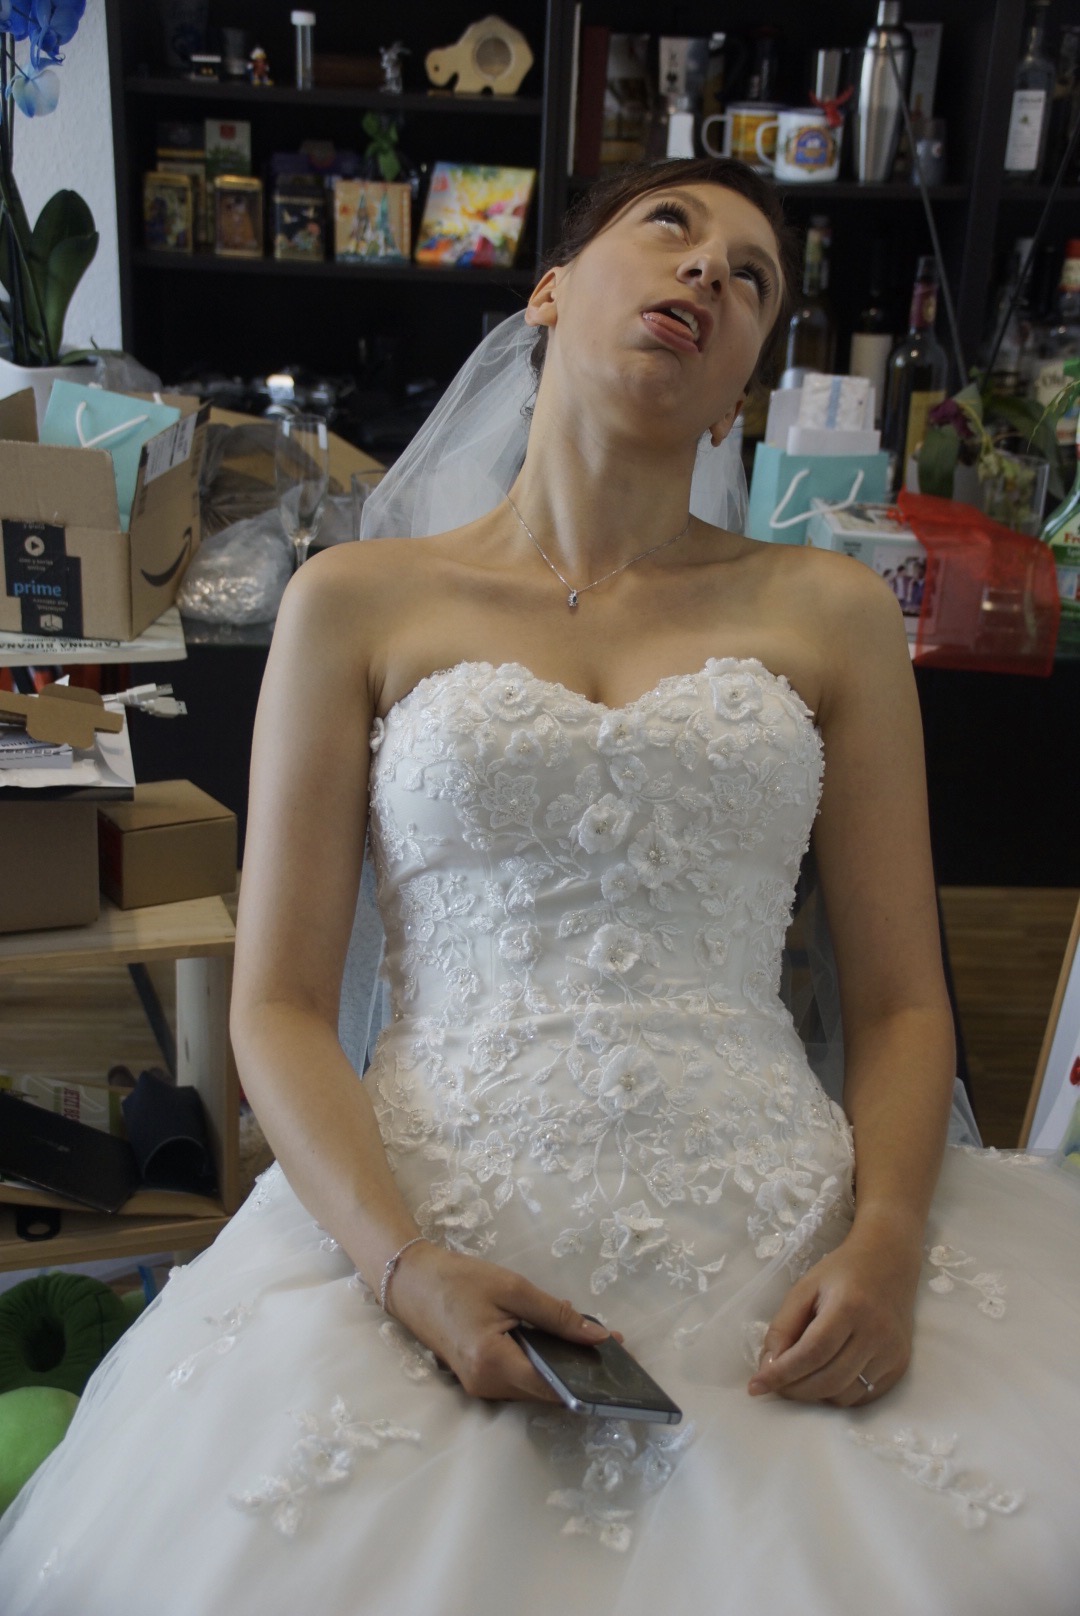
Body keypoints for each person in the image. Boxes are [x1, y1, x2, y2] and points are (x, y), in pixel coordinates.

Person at [2, 157, 1079, 1615]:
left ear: (744, 389)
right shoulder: (354, 600)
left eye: (752, 278)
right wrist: (405, 1268)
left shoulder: (830, 614)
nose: (708, 273)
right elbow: (279, 1005)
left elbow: (897, 1002)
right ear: (552, 291)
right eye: (672, 227)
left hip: (771, 1229)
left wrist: (886, 1244)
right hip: (433, 1209)